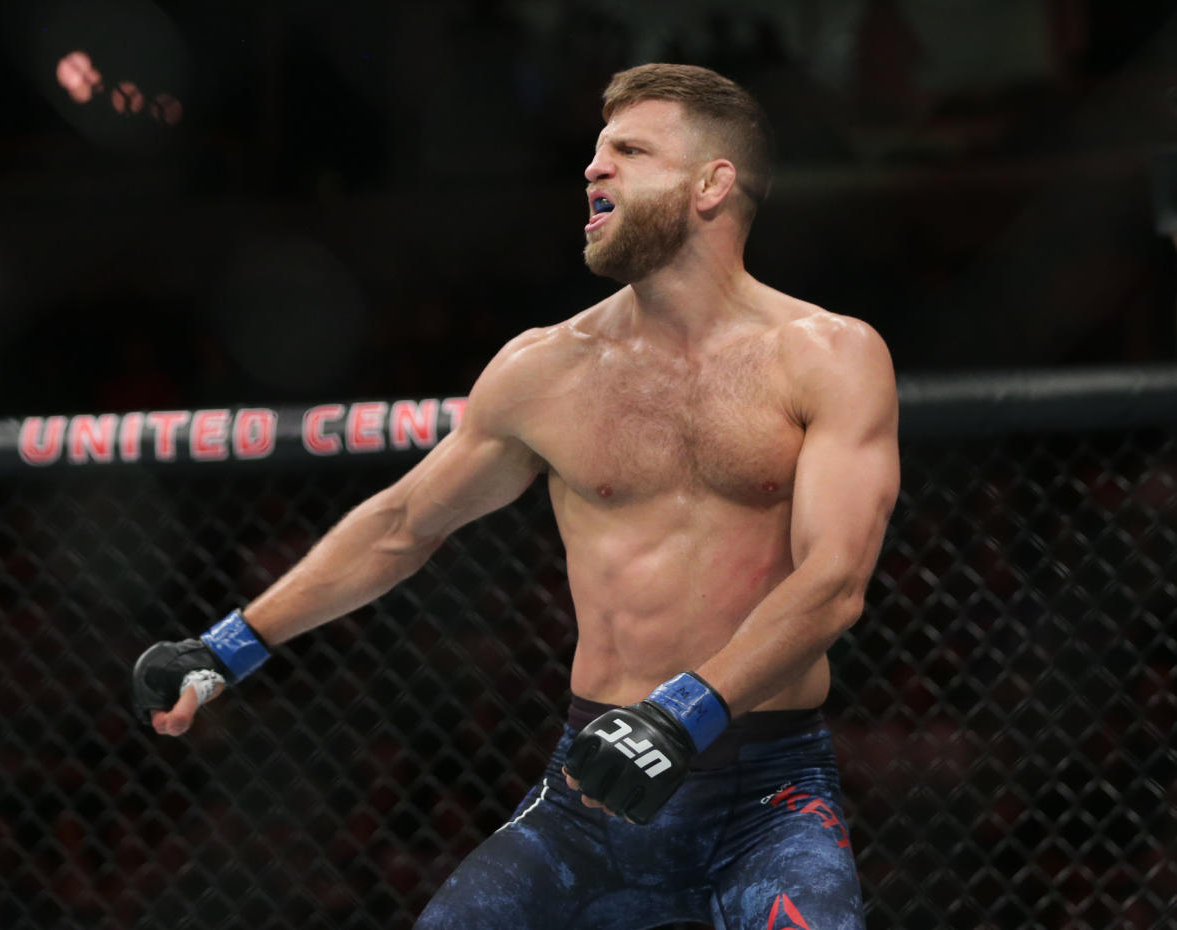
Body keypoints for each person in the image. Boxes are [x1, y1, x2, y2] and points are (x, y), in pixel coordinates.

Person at [133, 63, 899, 929]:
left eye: (630, 150)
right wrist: (225, 647)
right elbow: (401, 525)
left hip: (767, 793)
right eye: (597, 150)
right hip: (594, 794)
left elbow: (834, 581)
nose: (594, 168)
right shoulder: (546, 369)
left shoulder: (828, 355)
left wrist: (680, 717)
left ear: (712, 185)